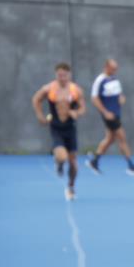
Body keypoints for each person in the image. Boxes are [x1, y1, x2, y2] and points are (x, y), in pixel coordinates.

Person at [32, 63, 85, 200]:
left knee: (73, 163)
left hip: (70, 128)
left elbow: (83, 108)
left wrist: (76, 112)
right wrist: (40, 116)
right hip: (56, 127)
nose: (62, 78)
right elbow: (36, 99)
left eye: (64, 75)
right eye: (59, 75)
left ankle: (71, 187)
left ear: (69, 75)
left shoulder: (75, 90)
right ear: (56, 75)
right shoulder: (49, 88)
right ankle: (59, 163)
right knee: (62, 156)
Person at [87, 58, 134, 176]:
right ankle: (131, 165)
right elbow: (94, 98)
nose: (115, 70)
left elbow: (118, 94)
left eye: (116, 68)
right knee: (122, 137)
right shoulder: (100, 80)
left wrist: (121, 98)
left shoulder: (114, 79)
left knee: (110, 139)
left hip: (116, 113)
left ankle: (95, 161)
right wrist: (105, 112)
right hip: (109, 115)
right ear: (107, 67)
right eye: (113, 68)